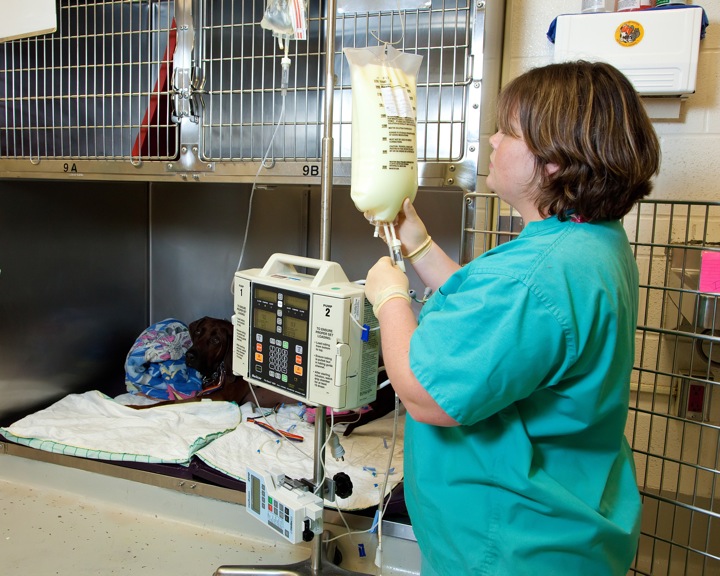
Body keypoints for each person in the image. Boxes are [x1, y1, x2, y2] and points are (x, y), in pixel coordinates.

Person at [363, 60, 661, 576]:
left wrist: (390, 299)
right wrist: (418, 244)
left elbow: (424, 395)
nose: (493, 141)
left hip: (510, 547)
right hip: (569, 523)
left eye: (509, 131)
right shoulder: (589, 244)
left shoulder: (537, 276)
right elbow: (501, 322)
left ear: (554, 163)